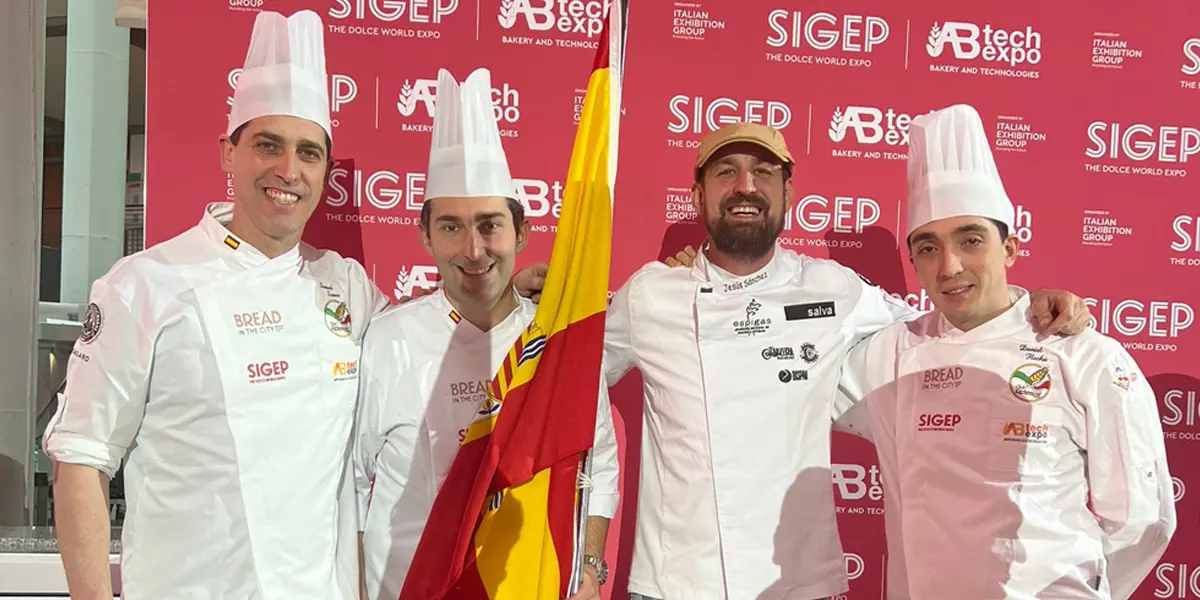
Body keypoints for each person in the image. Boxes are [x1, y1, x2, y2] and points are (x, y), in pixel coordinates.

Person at [39, 11, 541, 599]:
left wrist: (516, 292)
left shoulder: (346, 286)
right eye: (267, 145)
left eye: (308, 153)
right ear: (228, 153)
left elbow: (433, 332)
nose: (288, 170)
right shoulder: (145, 285)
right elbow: (80, 459)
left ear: (324, 171)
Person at [604, 121, 1091, 600]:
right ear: (698, 196)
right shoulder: (650, 294)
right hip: (675, 580)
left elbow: (945, 326)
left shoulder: (833, 288)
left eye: (764, 172)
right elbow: (569, 377)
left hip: (800, 580)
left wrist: (1023, 306)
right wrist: (524, 299)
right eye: (726, 172)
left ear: (788, 194)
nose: (745, 187)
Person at [832, 104, 1176, 600]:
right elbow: (779, 367)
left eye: (970, 240)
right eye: (928, 248)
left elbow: (1144, 519)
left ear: (1009, 249)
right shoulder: (890, 353)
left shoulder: (1081, 353)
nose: (950, 266)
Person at [353, 67, 620, 600]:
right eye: (451, 226)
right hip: (411, 586)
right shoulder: (388, 340)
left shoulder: (555, 343)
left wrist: (590, 565)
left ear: (521, 231)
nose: (474, 250)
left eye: (490, 225)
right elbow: (353, 486)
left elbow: (599, 460)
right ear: (425, 236)